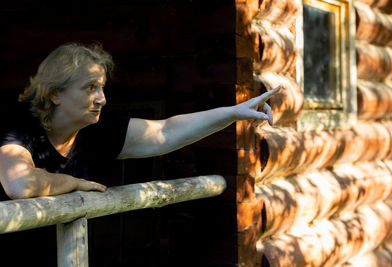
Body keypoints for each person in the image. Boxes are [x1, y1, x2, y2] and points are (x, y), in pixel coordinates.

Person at [0, 42, 280, 200]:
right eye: (90, 88)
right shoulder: (18, 125)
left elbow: (166, 133)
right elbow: (20, 185)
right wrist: (72, 182)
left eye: (102, 87)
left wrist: (231, 113)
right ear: (56, 94)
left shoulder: (97, 129)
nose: (102, 99)